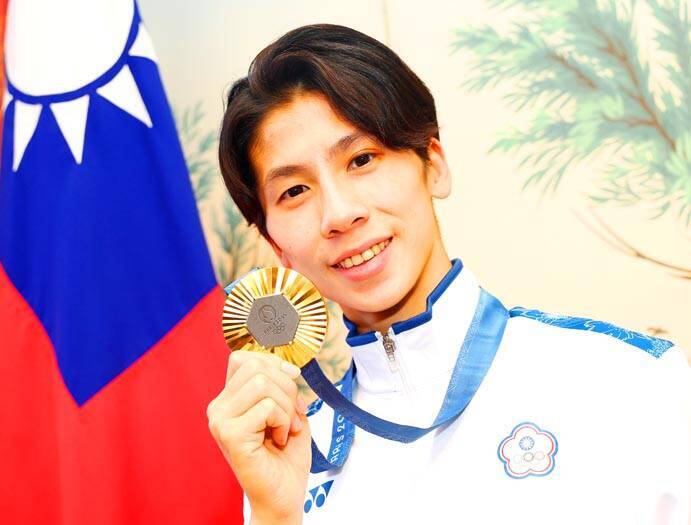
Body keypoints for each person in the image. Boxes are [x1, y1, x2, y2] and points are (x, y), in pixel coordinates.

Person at [206, 24, 689, 524]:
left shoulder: (627, 381)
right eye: (294, 192)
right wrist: (275, 515)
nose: (339, 213)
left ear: (433, 162)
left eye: (362, 159)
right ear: (275, 245)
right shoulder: (290, 462)